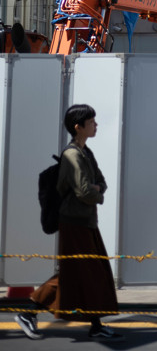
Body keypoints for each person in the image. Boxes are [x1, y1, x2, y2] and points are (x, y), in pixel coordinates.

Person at [15, 105, 121, 342]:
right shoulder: (72, 155)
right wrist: (97, 192)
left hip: (86, 222)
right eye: (92, 122)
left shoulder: (86, 152)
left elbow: (101, 181)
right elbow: (85, 192)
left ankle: (95, 325)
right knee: (80, 273)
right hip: (74, 223)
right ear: (78, 127)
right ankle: (28, 313)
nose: (96, 125)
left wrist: (97, 188)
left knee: (92, 273)